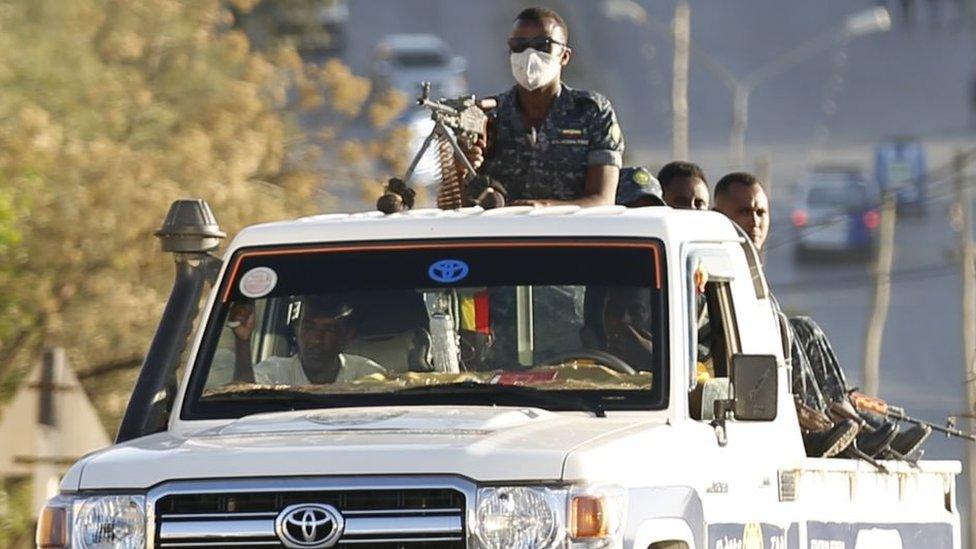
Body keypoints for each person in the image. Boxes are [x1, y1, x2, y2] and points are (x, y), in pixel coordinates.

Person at [713, 172, 930, 459]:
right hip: (739, 375)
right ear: (717, 215)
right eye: (743, 212)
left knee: (804, 328)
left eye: (761, 212)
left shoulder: (748, 265)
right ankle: (817, 433)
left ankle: (855, 427)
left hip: (756, 367)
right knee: (787, 329)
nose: (754, 222)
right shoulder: (714, 260)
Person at [462, 7, 624, 207]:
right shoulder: (488, 115)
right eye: (519, 45)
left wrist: (542, 209)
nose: (529, 54)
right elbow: (463, 206)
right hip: (503, 236)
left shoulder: (591, 112)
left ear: (564, 56)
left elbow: (602, 200)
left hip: (573, 236)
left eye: (542, 45)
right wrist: (463, 164)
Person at [218, 295, 386, 386]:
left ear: (347, 335)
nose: (316, 339)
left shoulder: (368, 375)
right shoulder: (276, 372)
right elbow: (244, 394)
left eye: (329, 330)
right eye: (308, 328)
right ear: (296, 330)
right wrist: (243, 342)